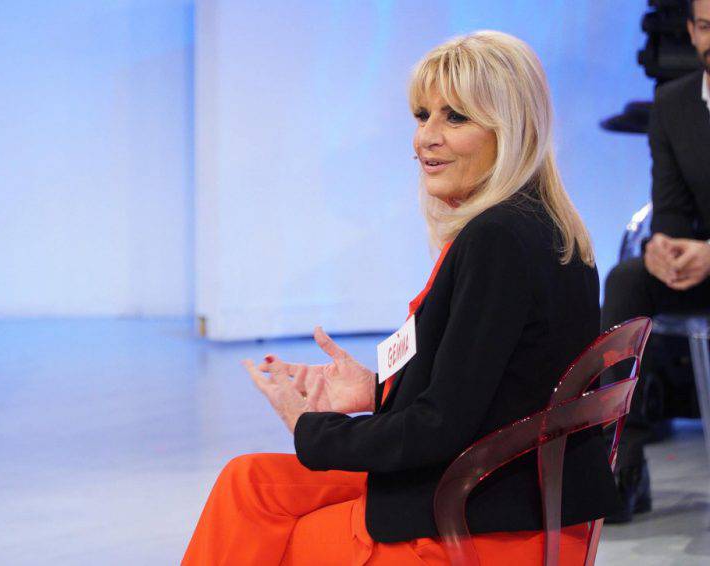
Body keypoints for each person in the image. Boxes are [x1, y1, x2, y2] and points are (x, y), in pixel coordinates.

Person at [182, 30, 620, 565]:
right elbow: (495, 388)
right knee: (248, 482)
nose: (425, 138)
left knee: (261, 539)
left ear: (509, 129)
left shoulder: (498, 239)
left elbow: (440, 427)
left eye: (455, 118)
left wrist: (311, 428)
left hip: (477, 525)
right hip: (501, 500)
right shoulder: (543, 225)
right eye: (422, 115)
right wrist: (376, 390)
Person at [601, 0, 710, 524]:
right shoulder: (673, 102)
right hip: (699, 265)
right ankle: (623, 460)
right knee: (627, 280)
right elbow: (669, 206)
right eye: (706, 27)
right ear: (691, 31)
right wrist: (663, 249)